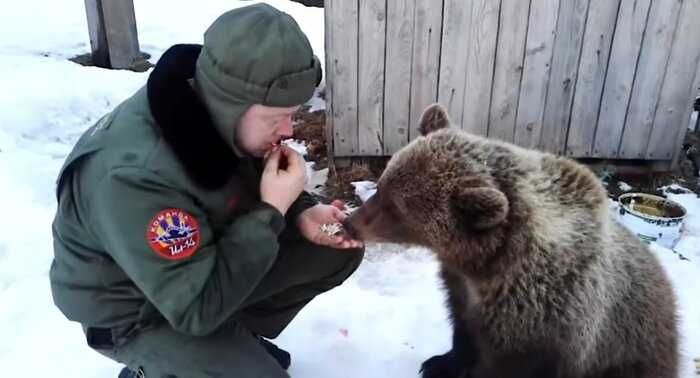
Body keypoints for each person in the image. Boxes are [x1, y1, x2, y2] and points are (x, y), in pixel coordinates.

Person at [49, 4, 364, 378]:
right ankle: (156, 367)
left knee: (331, 249)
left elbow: (253, 187)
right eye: (274, 117)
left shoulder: (214, 114)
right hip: (135, 311)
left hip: (201, 268)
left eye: (292, 113)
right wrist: (272, 211)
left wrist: (301, 212)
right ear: (230, 105)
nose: (289, 130)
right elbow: (195, 308)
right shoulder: (133, 176)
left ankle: (231, 342)